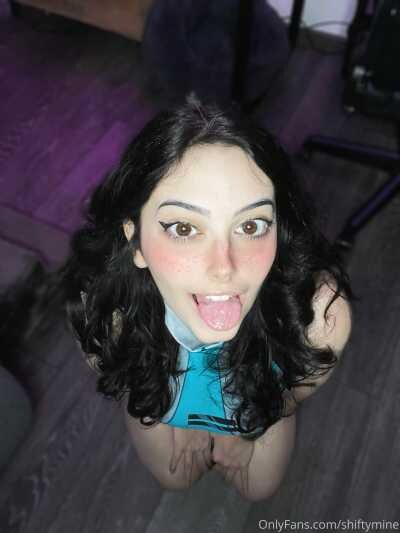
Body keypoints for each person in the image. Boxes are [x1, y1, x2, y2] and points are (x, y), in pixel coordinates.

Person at [61, 96, 352, 502]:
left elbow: (296, 391)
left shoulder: (320, 315)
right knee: (175, 478)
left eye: (251, 225)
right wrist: (170, 414)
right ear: (136, 241)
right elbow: (119, 373)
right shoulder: (106, 310)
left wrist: (249, 425)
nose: (223, 267)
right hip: (157, 390)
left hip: (260, 399)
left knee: (260, 488)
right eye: (184, 229)